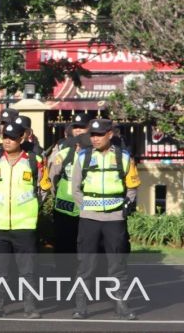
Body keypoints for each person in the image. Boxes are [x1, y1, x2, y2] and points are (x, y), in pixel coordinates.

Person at [71, 118, 140, 320]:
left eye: (100, 134)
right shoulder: (82, 157)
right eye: (92, 135)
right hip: (89, 218)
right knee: (86, 263)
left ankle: (121, 305)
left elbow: (132, 186)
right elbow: (75, 188)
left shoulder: (124, 157)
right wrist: (86, 207)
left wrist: (125, 206)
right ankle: (81, 306)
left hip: (114, 218)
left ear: (110, 134)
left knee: (117, 263)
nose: (95, 139)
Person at [0, 122, 50, 319]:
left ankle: (30, 306)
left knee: (27, 269)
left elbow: (44, 187)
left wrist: (33, 203)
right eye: (5, 137)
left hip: (25, 224)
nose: (7, 141)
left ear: (22, 139)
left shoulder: (34, 160)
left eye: (12, 138)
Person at [48, 113, 89, 257]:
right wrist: (56, 194)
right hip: (65, 207)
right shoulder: (62, 147)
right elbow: (52, 175)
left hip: (87, 207)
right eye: (75, 127)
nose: (78, 130)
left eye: (82, 127)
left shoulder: (96, 149)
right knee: (63, 244)